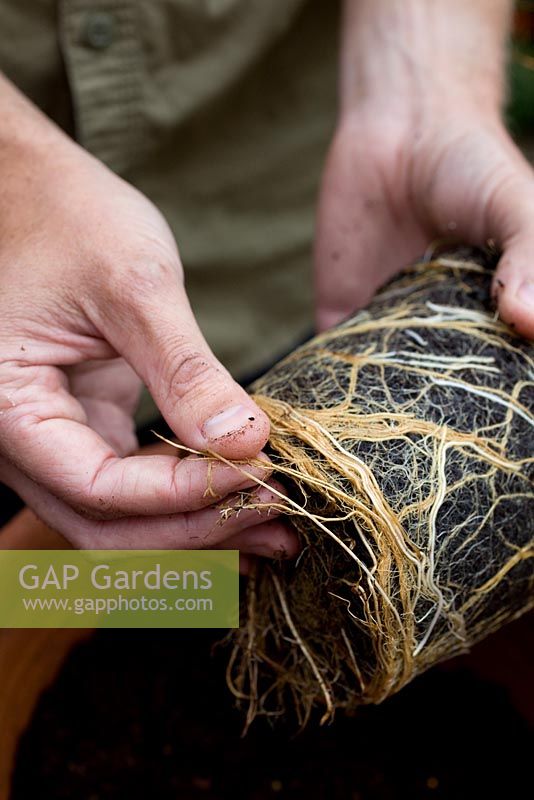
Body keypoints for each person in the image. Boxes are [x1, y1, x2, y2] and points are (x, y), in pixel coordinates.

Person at [0, 1, 532, 563]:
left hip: (319, 279)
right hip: (21, 363)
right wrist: (15, 173)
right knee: (39, 591)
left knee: (254, 569)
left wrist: (426, 93)